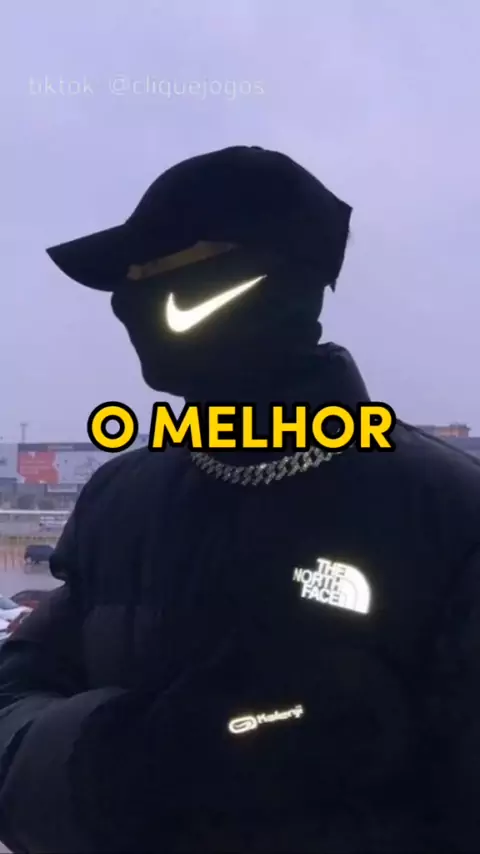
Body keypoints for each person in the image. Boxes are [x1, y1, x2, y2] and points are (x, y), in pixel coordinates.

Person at [0, 145, 479, 854]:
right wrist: (111, 762)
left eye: (163, 267)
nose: (130, 299)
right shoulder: (120, 499)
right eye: (129, 277)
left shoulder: (445, 514)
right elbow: (13, 699)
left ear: (275, 276)